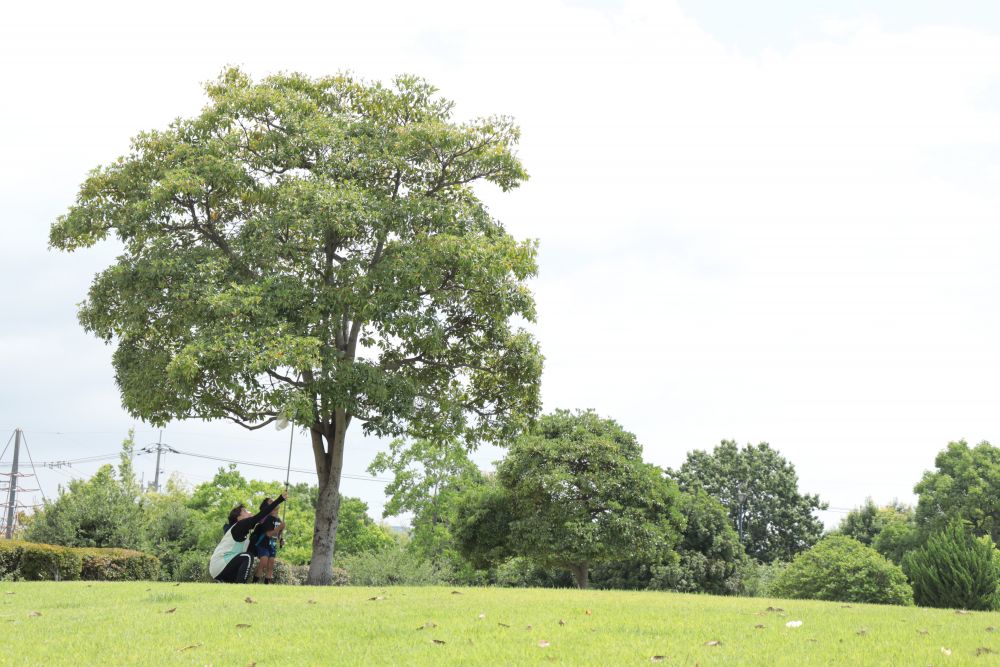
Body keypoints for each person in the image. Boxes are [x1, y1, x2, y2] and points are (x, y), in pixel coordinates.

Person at [209, 492, 287, 583]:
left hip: (224, 568)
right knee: (248, 556)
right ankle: (241, 586)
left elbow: (256, 549)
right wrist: (280, 499)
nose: (249, 512)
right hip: (219, 565)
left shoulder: (246, 535)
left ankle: (233, 584)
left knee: (249, 555)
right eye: (245, 511)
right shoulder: (239, 525)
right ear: (239, 518)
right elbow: (260, 515)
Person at [249, 497, 285, 584]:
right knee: (264, 562)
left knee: (271, 564)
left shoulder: (279, 520)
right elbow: (268, 534)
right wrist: (279, 528)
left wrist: (281, 540)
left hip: (272, 545)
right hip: (262, 543)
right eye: (271, 502)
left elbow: (278, 534)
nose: (274, 502)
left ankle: (267, 583)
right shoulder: (266, 519)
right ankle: (255, 582)